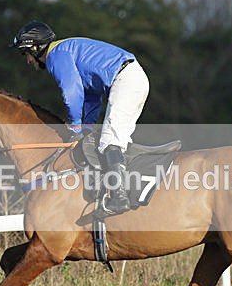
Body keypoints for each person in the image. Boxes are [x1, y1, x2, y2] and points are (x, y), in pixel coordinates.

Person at [11, 20, 149, 215]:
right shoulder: (65, 51)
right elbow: (92, 97)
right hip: (131, 77)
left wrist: (75, 127)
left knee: (110, 140)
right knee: (115, 141)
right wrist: (87, 127)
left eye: (26, 54)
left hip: (126, 79)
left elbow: (72, 93)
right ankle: (125, 189)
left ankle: (119, 198)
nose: (28, 61)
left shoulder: (55, 56)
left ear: (35, 47)